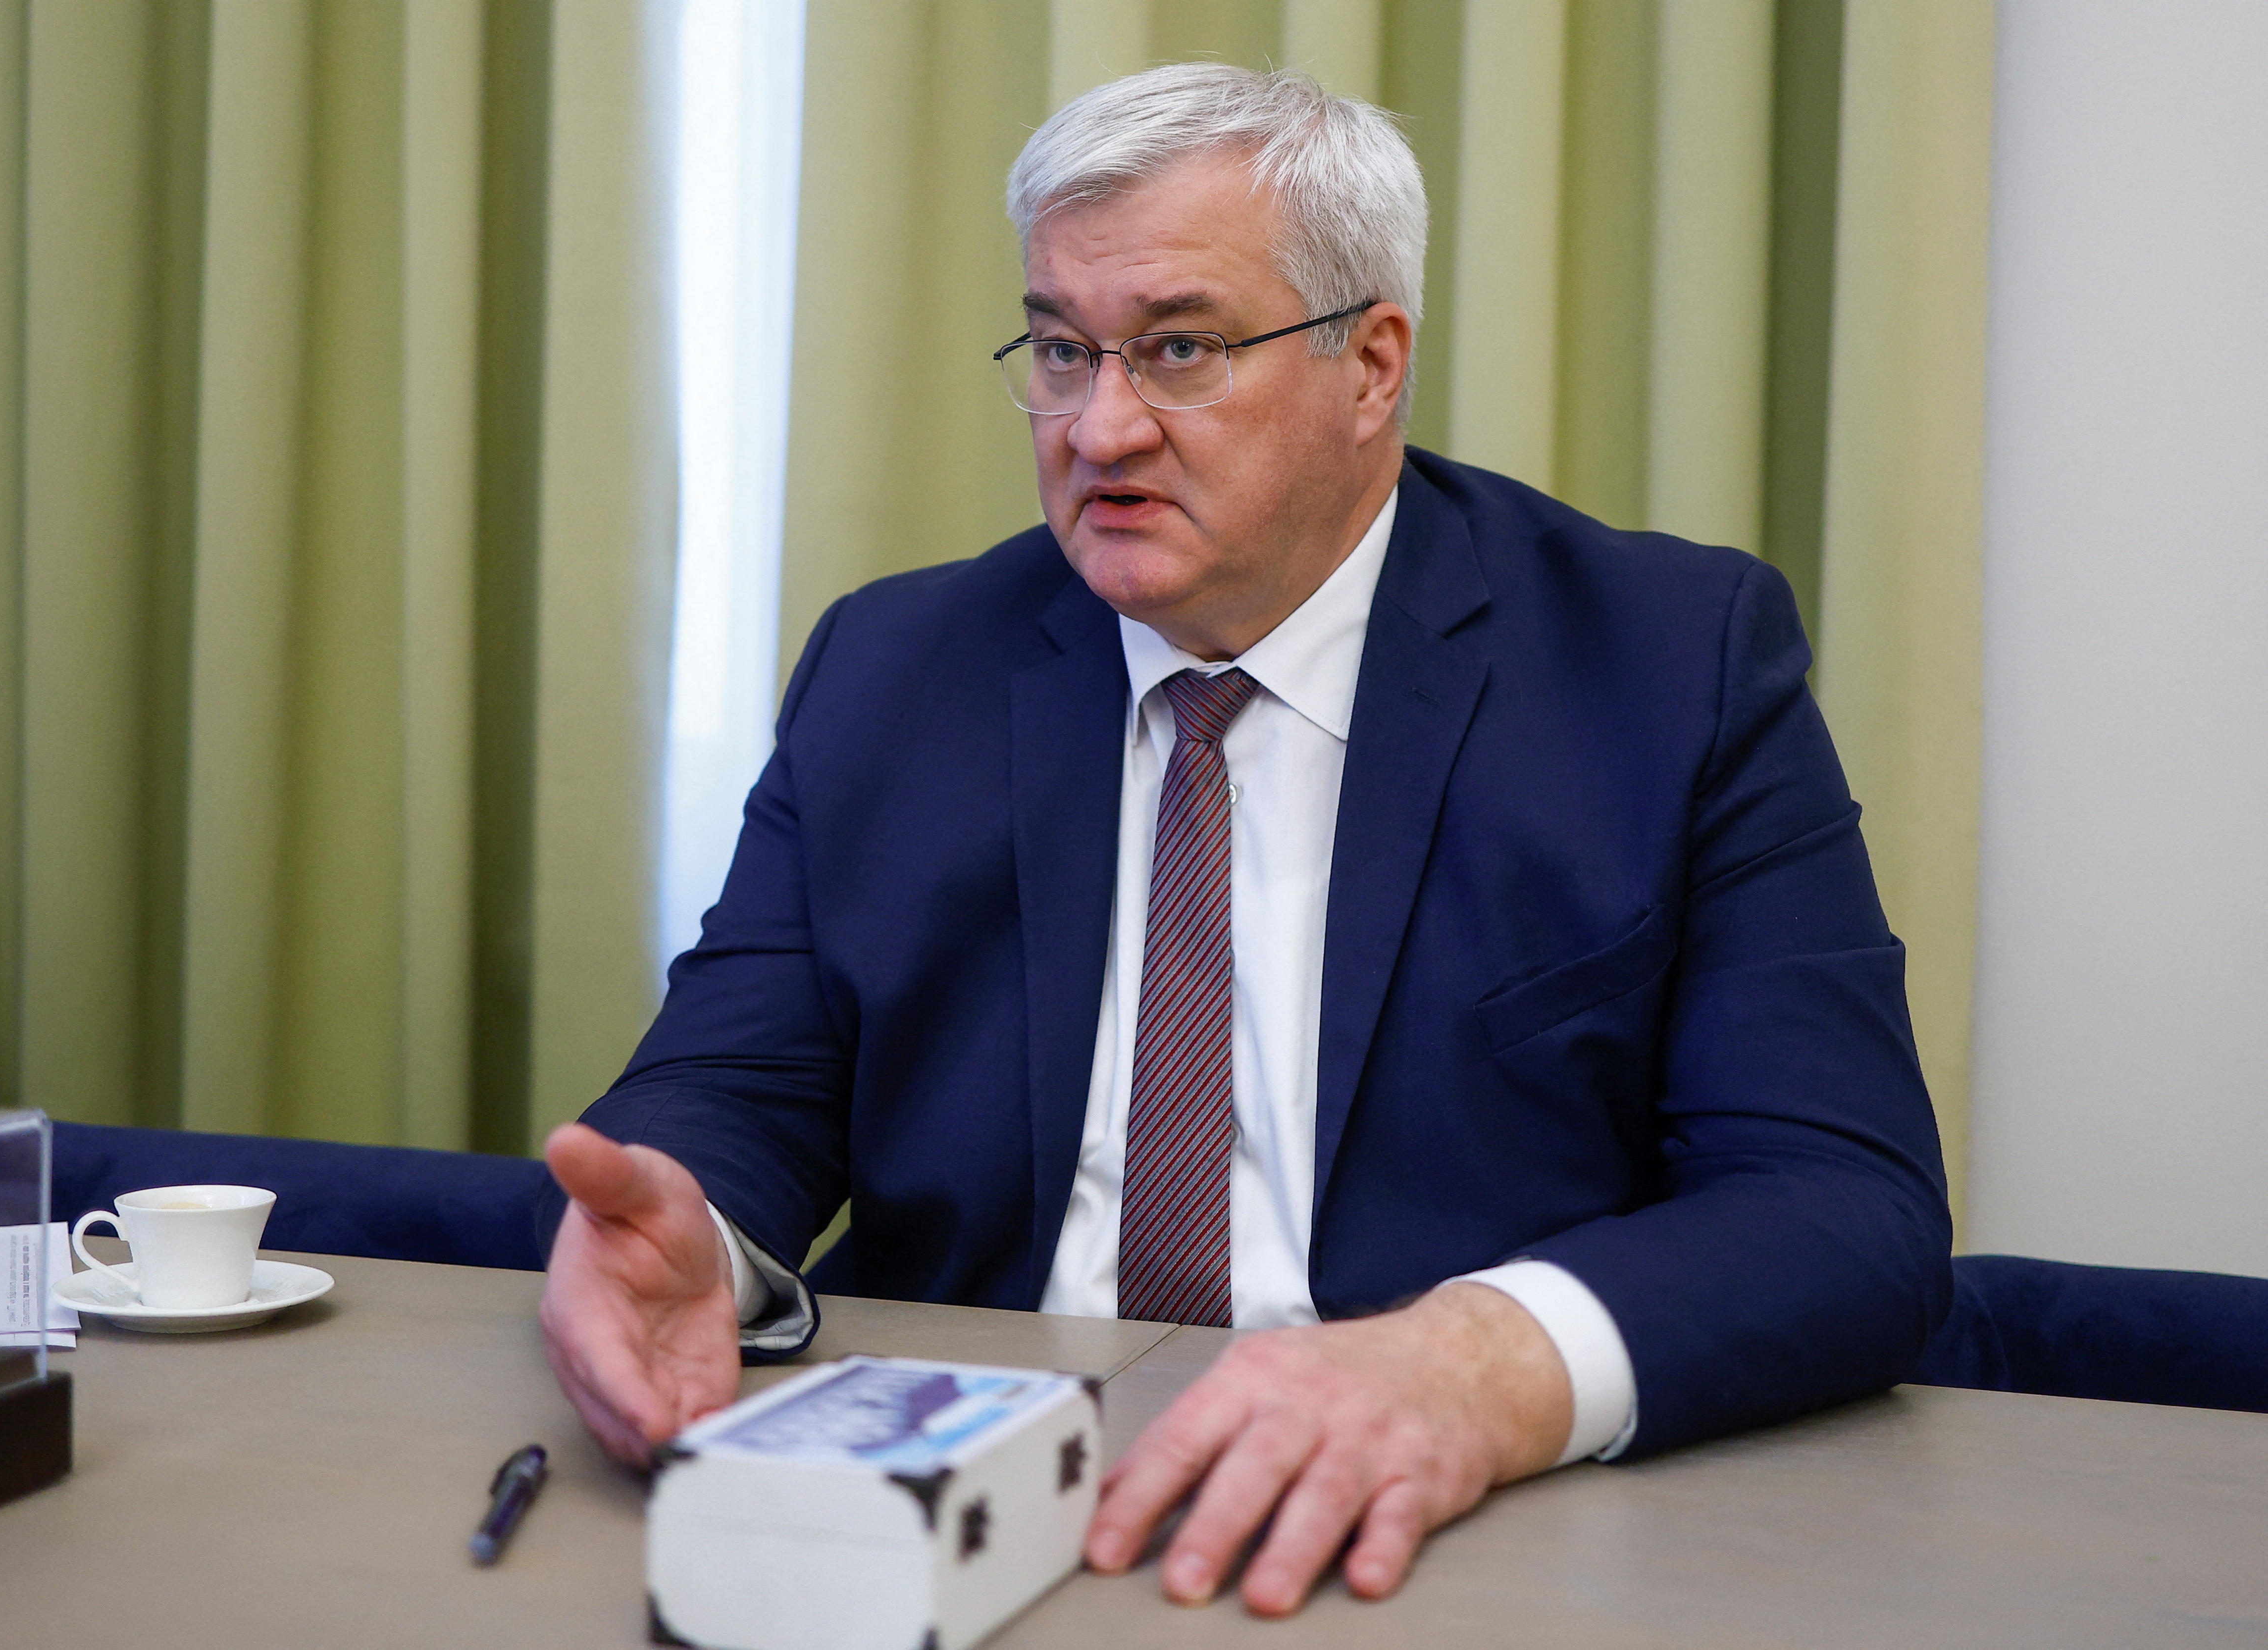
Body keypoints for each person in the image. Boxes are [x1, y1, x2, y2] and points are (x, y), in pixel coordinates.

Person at [537, 63, 1950, 1617]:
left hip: (1446, 1530)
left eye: (1180, 349)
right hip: (971, 1504)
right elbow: (742, 1083)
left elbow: (1843, 1206)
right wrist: (689, 1229)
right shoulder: (897, 665)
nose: (1101, 427)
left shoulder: (1666, 665)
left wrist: (1479, 1365)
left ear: (1371, 366)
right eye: (1062, 349)